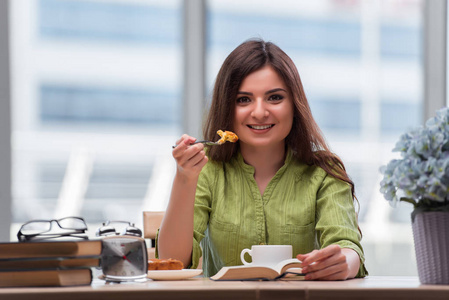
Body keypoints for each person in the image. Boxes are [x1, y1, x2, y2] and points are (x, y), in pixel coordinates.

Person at [158, 38, 368, 280]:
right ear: (227, 107)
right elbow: (172, 262)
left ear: (295, 105)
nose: (259, 112)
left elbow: (347, 247)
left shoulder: (323, 172)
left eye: (275, 98)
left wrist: (344, 261)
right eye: (243, 99)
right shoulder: (208, 170)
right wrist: (184, 178)